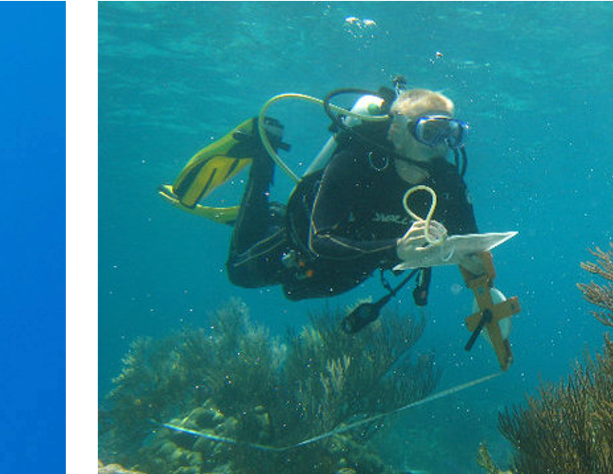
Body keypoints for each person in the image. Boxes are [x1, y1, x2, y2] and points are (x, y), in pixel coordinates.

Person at [162, 83, 517, 364]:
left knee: (302, 289)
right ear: (396, 130)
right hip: (303, 244)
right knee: (239, 272)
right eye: (431, 131)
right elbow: (320, 240)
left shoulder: (447, 179)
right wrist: (394, 248)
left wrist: (486, 295)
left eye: (452, 134)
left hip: (354, 268)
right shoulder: (354, 163)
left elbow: (470, 242)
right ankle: (261, 152)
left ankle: (266, 213)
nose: (442, 145)